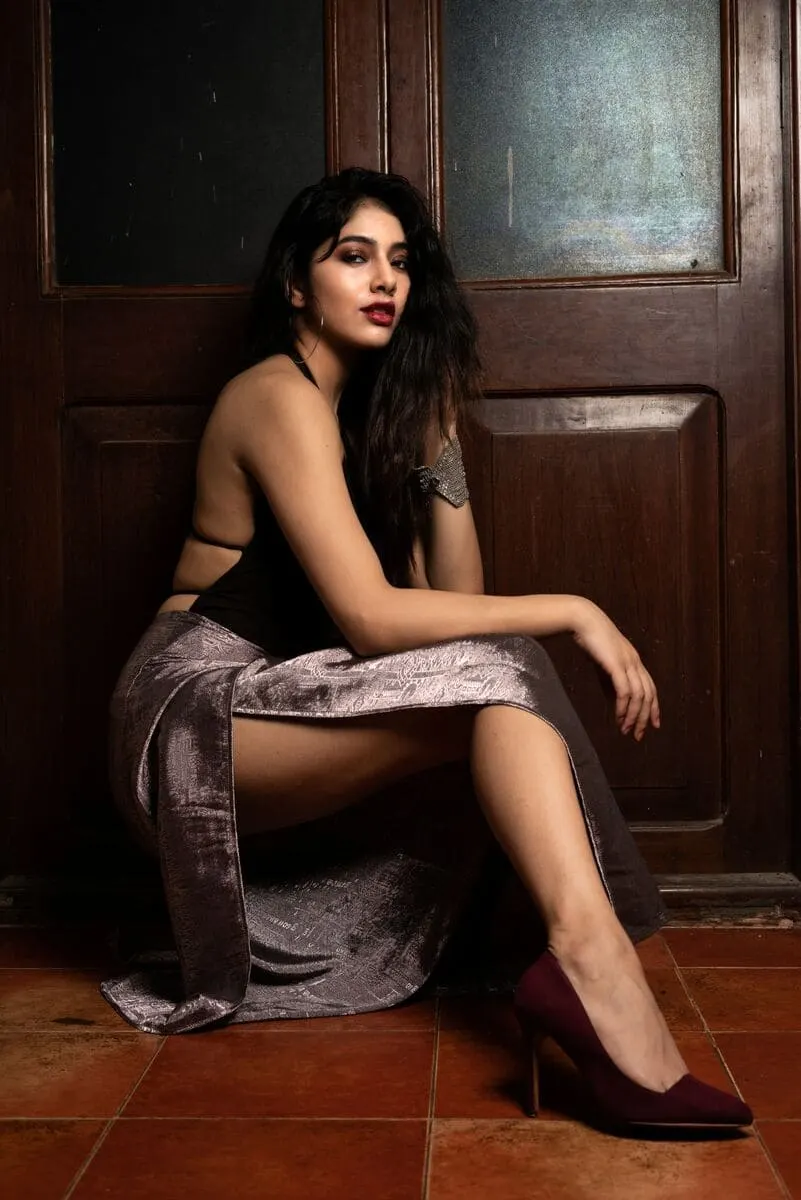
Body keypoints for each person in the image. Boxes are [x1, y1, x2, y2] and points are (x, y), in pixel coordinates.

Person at [102, 167, 750, 1132]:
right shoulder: (273, 394)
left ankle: (585, 964)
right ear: (296, 285)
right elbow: (375, 622)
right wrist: (576, 608)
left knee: (499, 686)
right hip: (192, 713)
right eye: (353, 257)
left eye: (400, 262)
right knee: (509, 666)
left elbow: (459, 612)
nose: (384, 281)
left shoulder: (362, 420)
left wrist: (437, 433)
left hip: (282, 697)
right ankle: (594, 969)